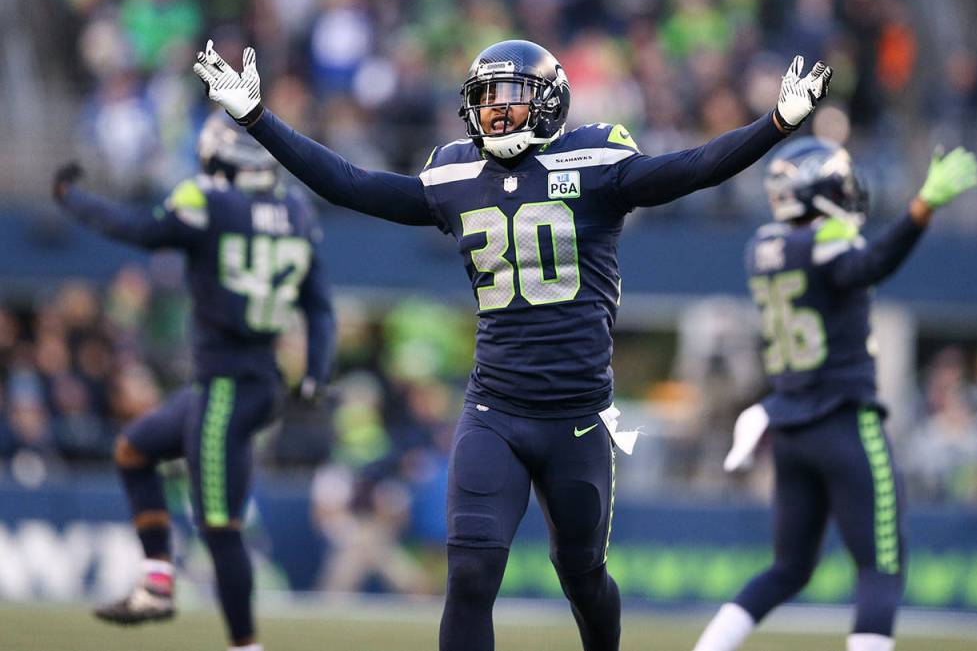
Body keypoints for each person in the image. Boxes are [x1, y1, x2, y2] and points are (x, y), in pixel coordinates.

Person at [193, 38, 831, 651]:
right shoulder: (455, 174)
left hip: (577, 417)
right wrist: (256, 118)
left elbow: (694, 168)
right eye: (486, 97)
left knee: (583, 577)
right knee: (470, 573)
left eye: (511, 97)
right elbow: (351, 185)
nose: (496, 110)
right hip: (494, 409)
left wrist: (776, 123)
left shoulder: (595, 161)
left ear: (549, 102)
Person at [52, 113, 336, 651]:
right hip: (253, 381)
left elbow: (138, 230)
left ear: (216, 158)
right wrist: (315, 374)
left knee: (219, 527)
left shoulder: (207, 201)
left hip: (227, 385)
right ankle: (158, 582)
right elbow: (319, 307)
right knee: (134, 450)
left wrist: (72, 198)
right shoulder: (296, 210)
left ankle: (245, 646)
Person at [694, 139, 977, 651]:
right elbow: (869, 265)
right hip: (844, 421)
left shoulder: (762, 246)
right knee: (881, 566)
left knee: (788, 568)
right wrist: (921, 208)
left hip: (790, 427)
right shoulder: (826, 243)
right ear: (821, 191)